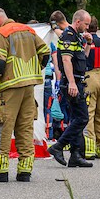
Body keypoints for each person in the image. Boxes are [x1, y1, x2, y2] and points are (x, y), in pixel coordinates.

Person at [0, 7, 50, 182]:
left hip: (10, 87)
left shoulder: (1, 34)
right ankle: (24, 172)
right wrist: (36, 69)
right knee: (25, 127)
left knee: (3, 127)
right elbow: (45, 52)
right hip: (29, 87)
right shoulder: (28, 30)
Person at [47, 10, 94, 168]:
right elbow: (66, 60)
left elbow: (83, 58)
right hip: (72, 82)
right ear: (78, 22)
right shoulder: (68, 35)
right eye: (86, 24)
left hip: (78, 80)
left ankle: (76, 155)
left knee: (76, 119)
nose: (87, 27)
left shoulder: (78, 36)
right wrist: (72, 83)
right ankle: (58, 146)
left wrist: (87, 43)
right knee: (82, 118)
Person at [82, 18, 100, 160]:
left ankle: (89, 149)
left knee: (88, 113)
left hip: (88, 76)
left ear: (86, 28)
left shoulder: (84, 42)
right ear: (98, 28)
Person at [43, 11, 68, 139]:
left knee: (47, 108)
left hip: (44, 79)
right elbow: (56, 62)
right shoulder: (52, 42)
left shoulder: (66, 33)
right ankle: (50, 133)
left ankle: (48, 133)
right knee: (51, 108)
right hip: (50, 79)